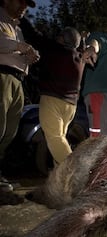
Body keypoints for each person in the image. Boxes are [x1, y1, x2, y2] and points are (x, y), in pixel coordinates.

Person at [36, 27, 98, 165]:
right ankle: (61, 181)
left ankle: (75, 174)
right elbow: (83, 46)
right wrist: (83, 40)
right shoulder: (80, 57)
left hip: (53, 100)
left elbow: (34, 35)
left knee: (55, 138)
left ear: (62, 39)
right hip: (70, 106)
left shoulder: (54, 50)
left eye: (59, 36)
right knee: (61, 141)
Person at [0, 0, 39, 191]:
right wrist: (21, 47)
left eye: (27, 4)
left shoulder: (18, 28)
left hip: (17, 80)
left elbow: (17, 50)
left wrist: (28, 58)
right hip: (2, 76)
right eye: (21, 1)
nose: (24, 6)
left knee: (9, 132)